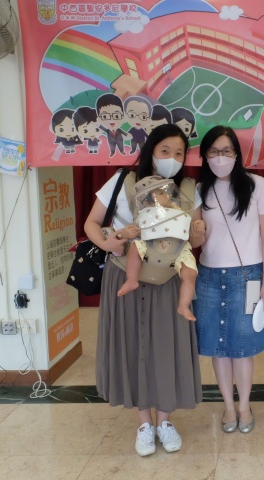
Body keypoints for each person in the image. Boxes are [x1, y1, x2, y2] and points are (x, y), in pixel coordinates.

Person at [84, 123, 205, 456]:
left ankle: (164, 421)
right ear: (151, 150)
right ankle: (143, 424)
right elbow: (91, 222)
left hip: (169, 278)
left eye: (178, 153)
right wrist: (108, 243)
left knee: (166, 346)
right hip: (127, 272)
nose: (171, 158)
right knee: (132, 344)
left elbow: (195, 240)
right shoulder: (123, 181)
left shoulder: (189, 188)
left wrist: (199, 231)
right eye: (165, 151)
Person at [194, 125, 264, 434]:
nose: (220, 157)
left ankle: (244, 406)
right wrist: (194, 231)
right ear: (205, 155)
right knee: (218, 346)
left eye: (226, 151)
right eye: (214, 151)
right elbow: (194, 241)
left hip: (249, 276)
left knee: (243, 346)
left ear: (237, 154)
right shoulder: (199, 189)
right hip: (209, 276)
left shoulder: (257, 186)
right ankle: (228, 406)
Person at [116, 175, 201, 321]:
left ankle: (183, 305)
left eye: (166, 191)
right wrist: (125, 234)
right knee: (135, 247)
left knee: (191, 274)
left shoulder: (178, 210)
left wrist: (197, 228)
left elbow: (189, 227)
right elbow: (131, 230)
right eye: (161, 193)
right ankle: (131, 279)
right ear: (146, 201)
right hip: (151, 245)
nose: (167, 195)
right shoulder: (145, 214)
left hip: (179, 248)